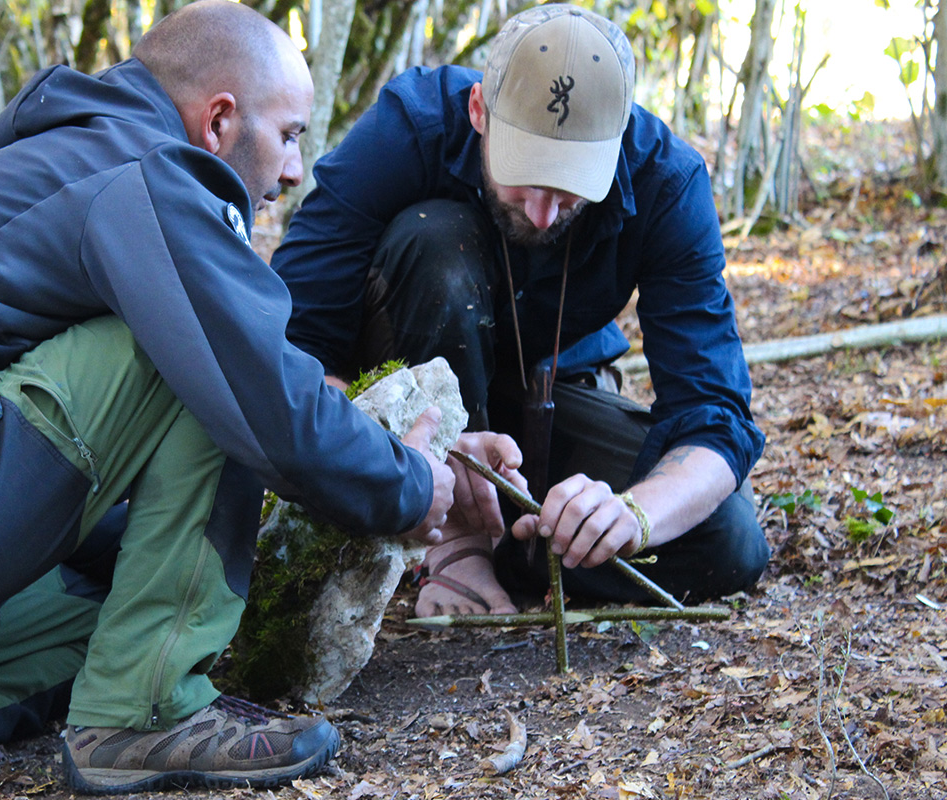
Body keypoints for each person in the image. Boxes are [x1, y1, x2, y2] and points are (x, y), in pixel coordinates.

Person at [0, 2, 520, 798]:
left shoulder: (90, 158)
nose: (296, 170)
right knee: (198, 355)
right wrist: (408, 482)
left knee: (136, 602)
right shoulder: (149, 177)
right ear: (220, 120)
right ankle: (144, 713)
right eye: (291, 135)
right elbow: (260, 388)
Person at [271, 4, 770, 618]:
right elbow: (287, 352)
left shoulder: (667, 179)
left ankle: (520, 548)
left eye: (570, 188)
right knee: (438, 240)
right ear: (479, 111)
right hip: (401, 416)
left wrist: (628, 516)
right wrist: (400, 452)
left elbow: (713, 412)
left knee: (728, 541)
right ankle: (450, 539)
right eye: (524, 177)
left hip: (549, 400)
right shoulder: (410, 126)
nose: (541, 214)